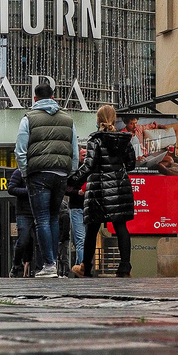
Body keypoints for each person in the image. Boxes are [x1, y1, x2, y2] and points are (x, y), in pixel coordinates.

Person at [14, 82, 78, 279]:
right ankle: (55, 264)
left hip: (38, 174)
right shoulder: (68, 120)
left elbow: (20, 150)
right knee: (53, 218)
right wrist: (69, 172)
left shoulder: (28, 119)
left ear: (35, 99)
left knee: (41, 218)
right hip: (60, 174)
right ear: (53, 97)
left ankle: (49, 265)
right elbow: (74, 151)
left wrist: (25, 173)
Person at [70, 104, 136, 278]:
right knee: (121, 225)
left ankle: (86, 267)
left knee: (92, 227)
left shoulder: (95, 140)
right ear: (114, 119)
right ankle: (124, 267)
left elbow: (89, 166)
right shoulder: (125, 140)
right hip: (119, 186)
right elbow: (131, 165)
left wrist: (71, 181)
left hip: (98, 188)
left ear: (98, 120)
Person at [6, 166, 33, 277]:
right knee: (23, 240)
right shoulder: (19, 172)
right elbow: (11, 188)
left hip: (39, 212)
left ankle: (38, 267)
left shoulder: (40, 173)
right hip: (24, 212)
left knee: (38, 242)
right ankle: (16, 264)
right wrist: (28, 191)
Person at [67, 146, 87, 273]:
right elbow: (66, 189)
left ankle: (79, 266)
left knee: (85, 240)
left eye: (86, 155)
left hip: (89, 208)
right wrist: (77, 192)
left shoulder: (90, 170)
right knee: (81, 240)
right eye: (83, 155)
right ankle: (83, 268)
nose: (85, 157)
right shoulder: (73, 171)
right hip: (76, 208)